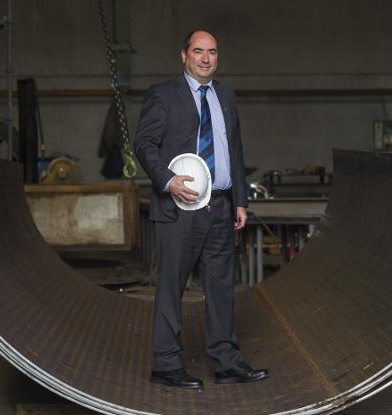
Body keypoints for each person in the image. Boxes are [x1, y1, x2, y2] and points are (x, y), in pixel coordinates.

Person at [134, 30, 269, 390]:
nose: (206, 58)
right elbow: (144, 144)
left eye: (212, 52)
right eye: (198, 51)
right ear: (184, 56)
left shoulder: (225, 96)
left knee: (222, 286)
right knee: (171, 287)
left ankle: (226, 362)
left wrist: (240, 198)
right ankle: (165, 364)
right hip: (180, 207)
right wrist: (167, 179)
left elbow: (234, 149)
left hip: (221, 206)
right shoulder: (164, 94)